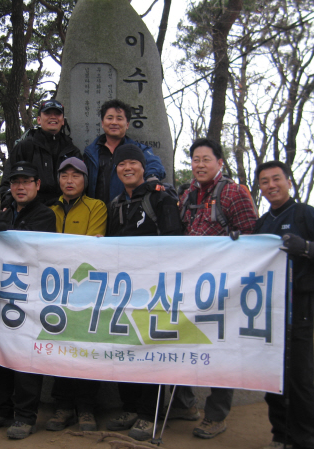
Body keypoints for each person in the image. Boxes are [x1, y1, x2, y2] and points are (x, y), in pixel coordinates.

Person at [254, 161, 314, 449]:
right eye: (265, 181)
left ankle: (304, 440)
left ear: (288, 182)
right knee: (272, 374)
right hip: (267, 311)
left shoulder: (305, 214)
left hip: (298, 307)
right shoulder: (262, 224)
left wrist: (307, 247)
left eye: (276, 179)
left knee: (299, 378)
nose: (271, 185)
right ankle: (280, 435)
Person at [173, 138, 258, 439]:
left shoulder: (234, 192)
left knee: (221, 349)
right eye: (195, 159)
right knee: (180, 341)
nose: (199, 165)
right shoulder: (187, 194)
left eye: (206, 159)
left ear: (219, 162)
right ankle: (184, 405)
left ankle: (216, 415)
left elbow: (252, 238)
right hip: (190, 284)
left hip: (224, 287)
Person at [106, 144, 183, 441]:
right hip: (125, 291)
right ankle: (129, 407)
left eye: (133, 163)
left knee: (152, 350)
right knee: (125, 347)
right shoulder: (115, 204)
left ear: (142, 166)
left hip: (156, 290)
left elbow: (175, 241)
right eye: (121, 164)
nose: (127, 168)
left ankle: (149, 414)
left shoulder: (161, 198)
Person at [0, 160, 56, 439]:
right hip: (2, 298)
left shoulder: (45, 215)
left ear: (37, 185)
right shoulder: (3, 215)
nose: (20, 187)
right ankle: (1, 408)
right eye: (15, 182)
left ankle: (25, 415)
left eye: (26, 181)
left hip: (32, 299)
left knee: (27, 355)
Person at [45, 157, 107, 432]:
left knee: (86, 348)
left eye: (76, 176)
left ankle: (86, 408)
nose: (69, 181)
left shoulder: (97, 206)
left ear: (85, 180)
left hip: (86, 290)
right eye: (64, 175)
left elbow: (92, 245)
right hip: (55, 292)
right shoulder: (49, 210)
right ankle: (63, 406)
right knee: (59, 348)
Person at [0, 99, 82, 208]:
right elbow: (7, 181)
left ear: (63, 121)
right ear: (39, 120)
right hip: (30, 209)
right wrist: (7, 205)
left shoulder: (72, 150)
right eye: (47, 113)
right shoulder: (25, 147)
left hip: (64, 209)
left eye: (57, 114)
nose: (53, 117)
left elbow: (81, 184)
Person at [84, 99, 166, 205]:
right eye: (110, 118)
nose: (114, 122)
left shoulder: (138, 150)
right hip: (96, 212)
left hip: (126, 210)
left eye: (119, 118)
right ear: (102, 123)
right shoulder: (90, 153)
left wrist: (152, 177)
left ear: (127, 124)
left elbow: (153, 163)